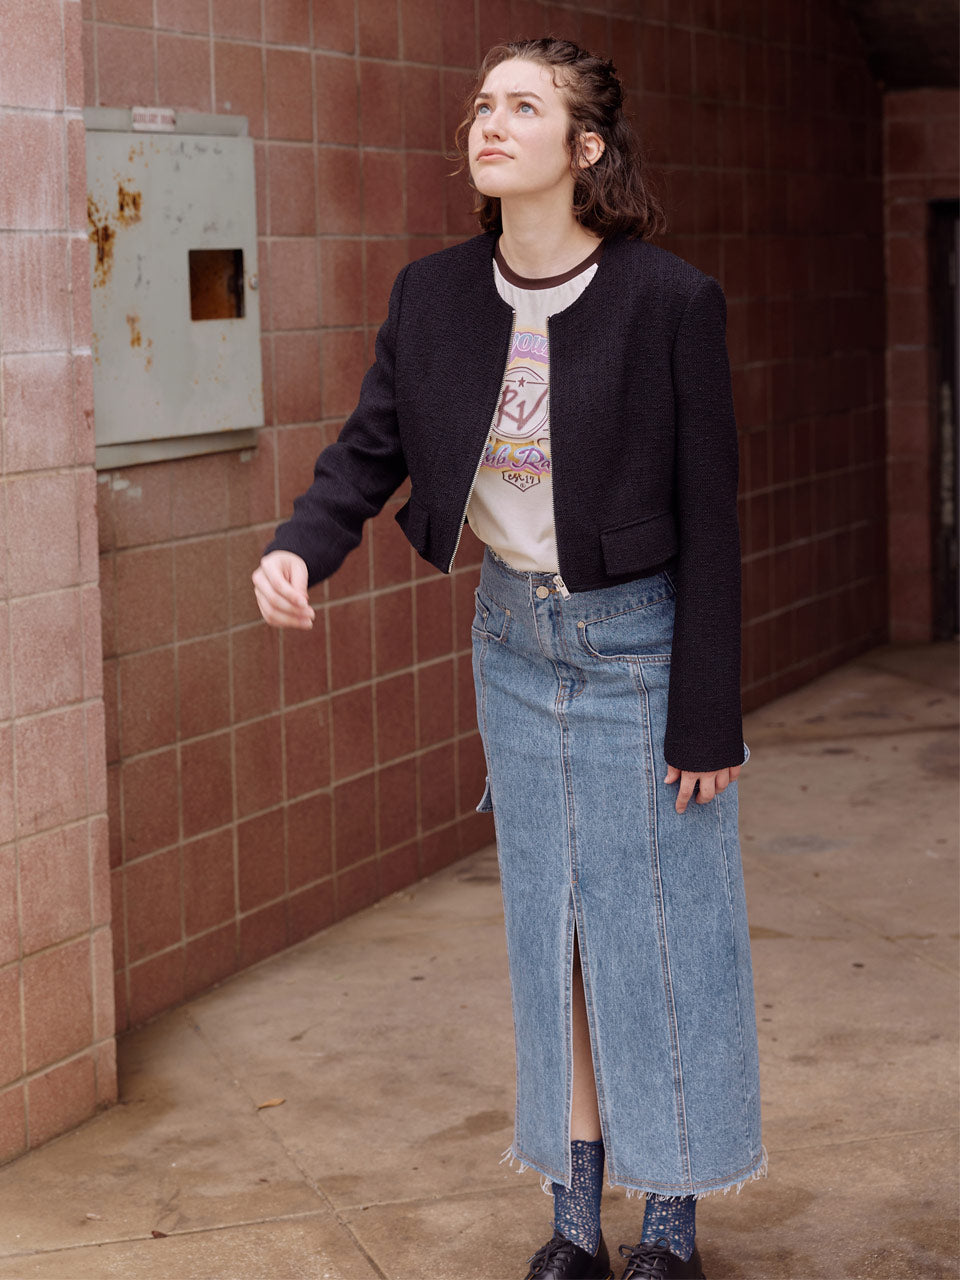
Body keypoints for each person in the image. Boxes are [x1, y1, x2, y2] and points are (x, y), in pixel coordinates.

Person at [252, 36, 765, 1280]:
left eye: (523, 105)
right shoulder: (434, 295)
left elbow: (715, 520)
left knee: (661, 930)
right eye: (482, 102)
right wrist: (302, 551)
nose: (490, 120)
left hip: (640, 647)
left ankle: (674, 1219)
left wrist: (709, 715)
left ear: (584, 149)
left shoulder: (669, 302)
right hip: (515, 643)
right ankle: (575, 1216)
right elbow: (369, 448)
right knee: (556, 932)